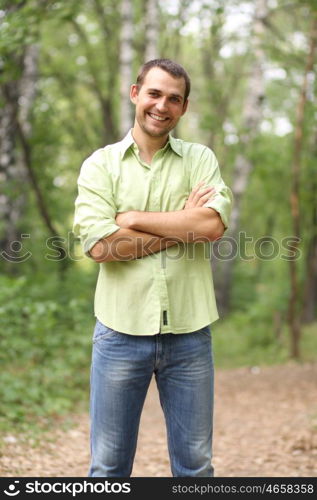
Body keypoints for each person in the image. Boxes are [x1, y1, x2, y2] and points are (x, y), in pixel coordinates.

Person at [73, 58, 232, 477]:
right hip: (119, 332)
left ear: (184, 107)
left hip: (190, 334)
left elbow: (212, 225)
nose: (162, 106)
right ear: (135, 93)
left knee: (196, 468)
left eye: (174, 99)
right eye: (155, 93)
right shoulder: (100, 165)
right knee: (108, 468)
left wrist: (132, 218)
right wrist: (182, 225)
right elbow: (101, 247)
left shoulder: (200, 159)